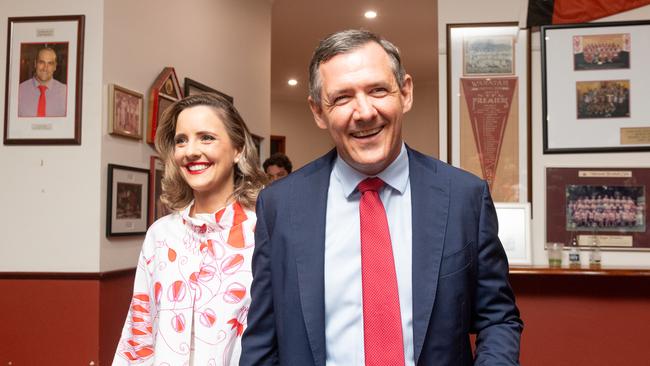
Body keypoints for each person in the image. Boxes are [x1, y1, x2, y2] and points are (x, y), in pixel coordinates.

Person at [240, 29, 522, 365]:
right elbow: (263, 339)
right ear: (318, 111)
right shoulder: (280, 205)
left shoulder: (464, 198)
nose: (364, 112)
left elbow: (498, 319)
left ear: (405, 93)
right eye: (342, 98)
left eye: (377, 90)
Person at [113, 93, 267, 365]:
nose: (191, 151)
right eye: (181, 140)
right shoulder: (160, 236)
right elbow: (140, 332)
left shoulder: (263, 231)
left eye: (206, 137)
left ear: (238, 149)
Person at [18, 46, 67, 117]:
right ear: (35, 64)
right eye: (41, 62)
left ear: (55, 66)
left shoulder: (66, 93)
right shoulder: (19, 91)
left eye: (50, 63)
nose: (45, 68)